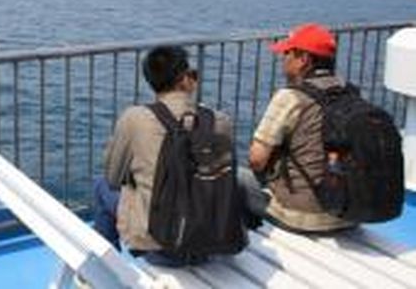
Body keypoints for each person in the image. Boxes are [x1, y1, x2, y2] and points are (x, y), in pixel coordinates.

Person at [93, 45, 234, 264]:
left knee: (101, 185)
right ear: (185, 80)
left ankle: (106, 267)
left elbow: (113, 177)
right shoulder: (220, 121)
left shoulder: (134, 119)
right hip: (210, 242)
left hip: (161, 249)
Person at [246, 22, 355, 233]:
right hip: (347, 213)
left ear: (303, 59)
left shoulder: (290, 97)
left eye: (287, 53)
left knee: (238, 178)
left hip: (300, 216)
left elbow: (256, 160)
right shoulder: (349, 92)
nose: (283, 59)